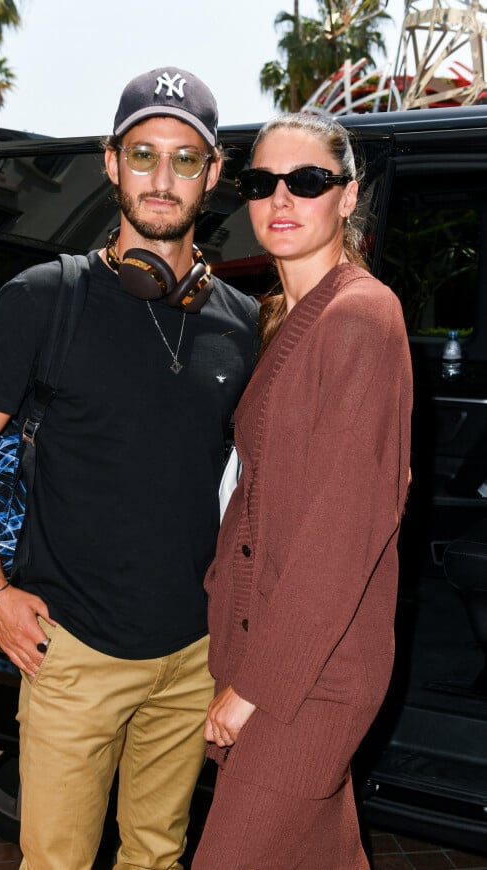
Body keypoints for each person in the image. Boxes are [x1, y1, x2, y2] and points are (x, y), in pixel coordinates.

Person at [0, 67, 258, 870]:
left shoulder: (242, 325)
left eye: (185, 159)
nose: (161, 177)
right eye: (142, 154)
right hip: (74, 651)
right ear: (111, 163)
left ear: (213, 174)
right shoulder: (44, 298)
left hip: (192, 657)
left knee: (155, 856)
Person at [191, 112, 413, 869]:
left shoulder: (360, 315)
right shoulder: (285, 318)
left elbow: (343, 529)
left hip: (307, 675)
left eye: (308, 181)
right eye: (262, 182)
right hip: (269, 649)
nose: (281, 198)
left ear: (348, 198)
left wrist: (255, 688)